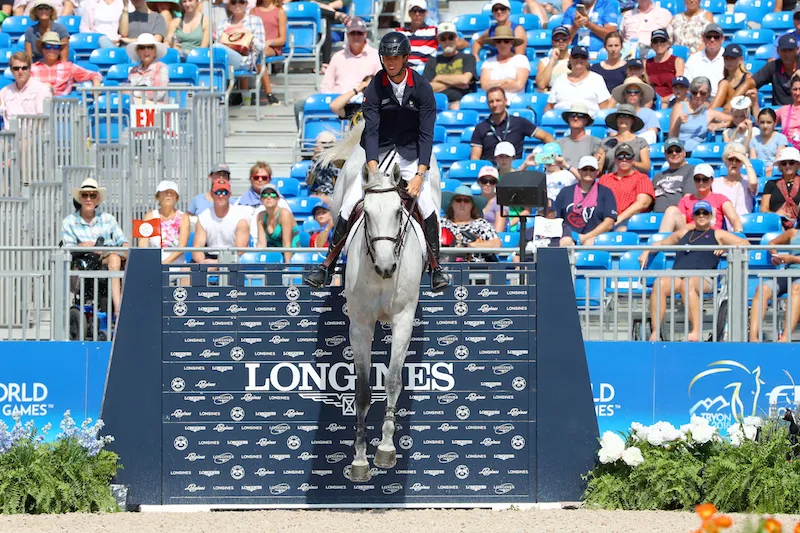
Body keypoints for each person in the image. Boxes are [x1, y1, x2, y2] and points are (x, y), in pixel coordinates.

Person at [304, 32, 449, 291]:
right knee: (349, 204)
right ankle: (327, 265)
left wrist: (419, 175)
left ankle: (436, 268)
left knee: (426, 205)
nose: (390, 62)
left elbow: (427, 134)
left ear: (405, 58)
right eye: (386, 57)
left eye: (395, 57)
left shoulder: (423, 88)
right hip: (378, 152)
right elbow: (370, 131)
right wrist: (372, 168)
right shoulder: (375, 87)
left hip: (411, 154)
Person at [640, 200, 748, 341]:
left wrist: (727, 248)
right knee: (659, 284)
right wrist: (646, 252)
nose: (701, 215)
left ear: (710, 216)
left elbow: (744, 242)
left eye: (705, 213)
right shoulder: (684, 233)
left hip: (705, 277)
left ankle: (696, 331)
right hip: (679, 275)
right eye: (698, 213)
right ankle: (655, 332)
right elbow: (659, 243)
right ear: (694, 216)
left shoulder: (718, 234)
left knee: (688, 284)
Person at [61, 178, 130, 317]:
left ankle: (130, 304)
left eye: (92, 195)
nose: (88, 199)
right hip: (87, 261)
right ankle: (119, 309)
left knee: (127, 258)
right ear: (79, 198)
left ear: (98, 199)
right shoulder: (69, 222)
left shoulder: (108, 219)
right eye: (85, 195)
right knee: (115, 259)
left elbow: (123, 240)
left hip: (109, 253)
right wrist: (83, 246)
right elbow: (68, 247)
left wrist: (126, 248)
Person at [303, 17, 380, 125]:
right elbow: (325, 86)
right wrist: (333, 100)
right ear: (347, 35)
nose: (356, 36)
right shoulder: (338, 57)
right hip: (337, 103)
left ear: (365, 34)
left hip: (361, 106)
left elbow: (379, 85)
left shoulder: (375, 56)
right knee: (301, 106)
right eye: (353, 33)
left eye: (359, 33)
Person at [470, 86, 553, 160]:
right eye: (491, 101)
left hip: (515, 171)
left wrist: (545, 159)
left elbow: (547, 137)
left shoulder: (519, 122)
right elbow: (475, 158)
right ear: (488, 104)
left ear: (505, 101)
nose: (495, 104)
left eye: (498, 100)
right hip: (491, 172)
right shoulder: (481, 127)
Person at [749, 225, 800, 342]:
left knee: (796, 289)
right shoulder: (793, 233)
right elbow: (771, 243)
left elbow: (791, 258)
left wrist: (792, 258)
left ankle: (785, 337)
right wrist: (775, 255)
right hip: (789, 272)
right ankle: (753, 337)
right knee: (762, 289)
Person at [659, 163, 742, 232]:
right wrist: (698, 225)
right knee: (671, 210)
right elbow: (682, 228)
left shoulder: (720, 199)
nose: (701, 182)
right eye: (697, 179)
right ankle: (660, 247)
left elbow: (735, 220)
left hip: (713, 237)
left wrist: (736, 239)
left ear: (711, 180)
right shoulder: (685, 200)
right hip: (690, 236)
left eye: (705, 179)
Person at [555, 155, 618, 245]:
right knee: (565, 242)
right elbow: (557, 219)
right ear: (579, 171)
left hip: (594, 237)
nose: (588, 172)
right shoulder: (565, 192)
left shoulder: (605, 192)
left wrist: (586, 237)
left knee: (590, 243)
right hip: (569, 237)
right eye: (585, 169)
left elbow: (609, 222)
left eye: (591, 170)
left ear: (597, 172)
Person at [598, 142, 654, 230]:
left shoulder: (641, 178)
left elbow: (643, 203)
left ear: (633, 160)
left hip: (629, 220)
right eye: (620, 157)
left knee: (622, 231)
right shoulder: (604, 178)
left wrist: (618, 219)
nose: (624, 159)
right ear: (616, 160)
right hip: (603, 219)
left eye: (628, 157)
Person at [191, 179, 250, 264]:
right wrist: (204, 264)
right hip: (209, 257)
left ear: (230, 194)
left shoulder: (241, 218)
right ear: (211, 194)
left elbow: (240, 250)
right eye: (217, 192)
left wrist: (218, 263)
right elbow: (197, 249)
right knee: (185, 271)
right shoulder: (203, 217)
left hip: (234, 259)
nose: (221, 196)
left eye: (224, 192)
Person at [422, 21, 478, 110]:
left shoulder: (468, 58)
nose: (447, 41)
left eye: (450, 37)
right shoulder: (432, 62)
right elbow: (427, 89)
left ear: (456, 38)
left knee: (455, 108)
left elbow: (464, 80)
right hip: (435, 105)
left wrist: (439, 78)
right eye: (443, 38)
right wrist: (455, 83)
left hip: (460, 103)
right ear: (438, 40)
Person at [544, 45, 614, 114]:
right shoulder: (560, 80)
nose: (579, 60)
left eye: (583, 57)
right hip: (561, 121)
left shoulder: (597, 79)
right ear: (570, 59)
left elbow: (604, 109)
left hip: (588, 122)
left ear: (587, 60)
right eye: (575, 57)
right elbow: (549, 107)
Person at [669, 76, 731, 153]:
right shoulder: (679, 107)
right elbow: (671, 137)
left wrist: (719, 125)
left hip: (698, 152)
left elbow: (735, 120)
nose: (698, 96)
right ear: (690, 92)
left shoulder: (709, 112)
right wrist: (678, 123)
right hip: (679, 151)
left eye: (702, 93)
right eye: (694, 92)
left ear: (708, 94)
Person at [440, 184, 501, 262]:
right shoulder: (441, 223)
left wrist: (471, 246)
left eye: (466, 201)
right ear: (452, 203)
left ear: (472, 205)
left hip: (475, 270)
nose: (462, 204)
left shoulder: (481, 224)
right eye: (458, 200)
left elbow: (496, 244)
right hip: (446, 268)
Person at [30, 31, 102, 96]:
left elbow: (94, 74)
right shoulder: (32, 68)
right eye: (48, 46)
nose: (52, 50)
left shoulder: (68, 67)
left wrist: (96, 84)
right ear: (42, 49)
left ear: (59, 50)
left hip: (61, 106)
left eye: (56, 47)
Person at [138, 180, 190, 265]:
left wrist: (164, 263)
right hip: (152, 261)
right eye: (165, 192)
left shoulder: (184, 218)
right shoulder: (149, 216)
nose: (168, 195)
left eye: (172, 193)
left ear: (176, 197)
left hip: (176, 264)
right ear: (158, 196)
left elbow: (182, 247)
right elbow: (143, 243)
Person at [0, 52, 52, 130]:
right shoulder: (4, 92)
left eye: (24, 68)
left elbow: (41, 119)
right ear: (11, 70)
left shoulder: (41, 89)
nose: (20, 71)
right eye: (16, 68)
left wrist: (28, 137)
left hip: (33, 138)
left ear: (29, 69)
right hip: (8, 138)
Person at [479, 26, 531, 101]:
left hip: (513, 103)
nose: (502, 44)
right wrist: (507, 81)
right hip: (493, 103)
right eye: (498, 41)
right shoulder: (488, 62)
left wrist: (493, 84)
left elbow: (519, 85)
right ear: (495, 44)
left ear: (511, 43)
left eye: (506, 41)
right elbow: (484, 85)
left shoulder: (521, 59)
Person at [249, 0, 285, 103]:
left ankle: (269, 93)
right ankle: (244, 91)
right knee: (248, 53)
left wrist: (269, 42)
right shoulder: (254, 11)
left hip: (272, 47)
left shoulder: (279, 11)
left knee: (259, 54)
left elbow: (282, 39)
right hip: (255, 45)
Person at [215, 0, 265, 73]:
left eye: (241, 2)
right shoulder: (222, 24)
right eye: (233, 2)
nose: (237, 5)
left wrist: (248, 35)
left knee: (216, 48)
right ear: (229, 6)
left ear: (246, 4)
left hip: (245, 61)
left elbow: (261, 47)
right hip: (224, 59)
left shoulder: (255, 20)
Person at [753, 34, 800, 108]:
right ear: (778, 51)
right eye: (784, 50)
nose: (787, 54)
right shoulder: (773, 66)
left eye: (790, 50)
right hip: (778, 113)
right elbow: (750, 83)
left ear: (797, 50)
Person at [601, 103, 650, 173]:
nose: (623, 119)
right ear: (616, 119)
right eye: (620, 116)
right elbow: (599, 168)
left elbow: (646, 167)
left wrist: (629, 161)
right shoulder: (606, 142)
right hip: (611, 181)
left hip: (634, 181)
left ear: (632, 121)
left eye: (627, 116)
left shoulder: (640, 142)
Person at [713, 142, 758, 218]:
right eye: (730, 159)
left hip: (744, 223)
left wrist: (745, 160)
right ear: (725, 161)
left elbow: (753, 183)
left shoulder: (747, 180)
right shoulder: (716, 182)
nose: (734, 163)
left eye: (738, 160)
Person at [555, 102, 607, 168]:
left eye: (580, 116)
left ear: (586, 120)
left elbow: (598, 169)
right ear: (568, 119)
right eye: (572, 115)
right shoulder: (558, 143)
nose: (575, 118)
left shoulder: (596, 143)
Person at [651, 137, 696, 213]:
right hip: (657, 216)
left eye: (678, 150)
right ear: (665, 154)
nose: (674, 153)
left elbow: (688, 198)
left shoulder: (691, 170)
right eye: (670, 151)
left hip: (677, 215)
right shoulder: (658, 176)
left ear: (684, 152)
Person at [610, 76, 660, 143]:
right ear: (624, 95)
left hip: (643, 146)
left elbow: (652, 134)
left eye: (636, 92)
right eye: (629, 92)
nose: (632, 94)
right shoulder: (617, 114)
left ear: (641, 95)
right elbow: (613, 135)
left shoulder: (650, 113)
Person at [256, 183, 298, 263]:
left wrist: (288, 268)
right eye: (264, 195)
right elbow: (261, 244)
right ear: (261, 199)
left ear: (278, 199)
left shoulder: (284, 214)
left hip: (293, 257)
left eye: (272, 194)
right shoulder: (260, 216)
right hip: (273, 259)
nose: (268, 197)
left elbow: (287, 244)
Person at [761, 146, 800, 229]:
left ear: (797, 164)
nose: (787, 165)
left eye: (791, 162)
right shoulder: (771, 184)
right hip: (775, 224)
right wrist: (776, 215)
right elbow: (763, 210)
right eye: (784, 163)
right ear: (780, 166)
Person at [683, 23, 725, 98]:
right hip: (698, 97)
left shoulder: (728, 58)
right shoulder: (693, 59)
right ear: (703, 38)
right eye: (709, 37)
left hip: (721, 98)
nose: (712, 40)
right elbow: (686, 84)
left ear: (722, 39)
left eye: (716, 37)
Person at [126, 33, 170, 104]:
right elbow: (126, 91)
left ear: (155, 50)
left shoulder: (161, 68)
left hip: (156, 110)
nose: (146, 51)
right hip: (135, 109)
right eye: (142, 47)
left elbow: (158, 93)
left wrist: (135, 95)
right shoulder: (133, 70)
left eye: (150, 47)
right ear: (138, 51)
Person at [710, 44, 755, 112]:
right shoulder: (723, 80)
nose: (729, 61)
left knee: (724, 84)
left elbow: (753, 101)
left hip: (743, 112)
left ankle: (709, 114)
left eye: (732, 58)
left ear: (740, 60)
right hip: (728, 113)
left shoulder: (747, 77)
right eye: (726, 58)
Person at [645, 29, 684, 103]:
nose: (659, 44)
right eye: (655, 41)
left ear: (668, 43)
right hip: (651, 101)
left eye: (662, 41)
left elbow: (679, 87)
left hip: (671, 100)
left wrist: (662, 100)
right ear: (652, 45)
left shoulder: (677, 61)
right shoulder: (646, 63)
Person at [395, 0, 438, 66]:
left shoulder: (433, 31)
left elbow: (453, 41)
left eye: (421, 11)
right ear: (409, 13)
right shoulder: (399, 32)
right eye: (414, 11)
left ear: (426, 13)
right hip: (404, 69)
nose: (417, 14)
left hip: (425, 70)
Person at [752, 108, 788, 177]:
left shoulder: (781, 138)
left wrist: (765, 172)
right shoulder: (754, 140)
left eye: (769, 122)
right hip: (758, 175)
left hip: (776, 174)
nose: (765, 126)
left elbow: (778, 162)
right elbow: (754, 163)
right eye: (762, 122)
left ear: (774, 123)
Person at [306, 131, 339, 204]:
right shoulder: (314, 162)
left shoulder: (337, 162)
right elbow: (309, 182)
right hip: (317, 194)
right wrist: (315, 161)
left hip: (332, 196)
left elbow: (338, 183)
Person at [536, 25, 571, 92]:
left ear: (569, 40)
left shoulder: (576, 60)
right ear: (552, 41)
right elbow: (541, 85)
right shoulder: (544, 62)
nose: (561, 41)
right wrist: (552, 60)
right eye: (556, 38)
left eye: (564, 38)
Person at [475, 166, 507, 233]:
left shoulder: (500, 202)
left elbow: (498, 231)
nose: (488, 184)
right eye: (484, 181)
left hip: (492, 239)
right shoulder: (473, 201)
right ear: (479, 182)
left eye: (492, 181)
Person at [776, 75, 800, 150]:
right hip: (788, 151)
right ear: (791, 91)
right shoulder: (784, 110)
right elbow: (763, 120)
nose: (798, 93)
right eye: (795, 89)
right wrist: (755, 103)